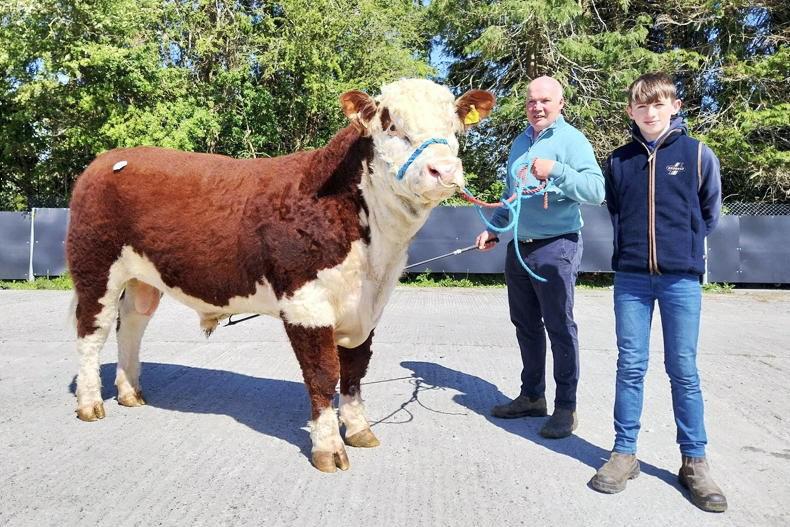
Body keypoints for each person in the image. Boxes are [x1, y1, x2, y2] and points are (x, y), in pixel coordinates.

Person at [590, 72, 727, 513]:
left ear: (675, 107)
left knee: (683, 370)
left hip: (680, 279)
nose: (650, 112)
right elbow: (616, 209)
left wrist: (679, 249)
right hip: (630, 279)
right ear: (631, 111)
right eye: (641, 106)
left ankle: (695, 462)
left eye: (658, 104)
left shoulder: (698, 154)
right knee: (630, 365)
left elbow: (709, 214)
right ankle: (624, 453)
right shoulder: (618, 161)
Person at [476, 76, 604, 438]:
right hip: (519, 246)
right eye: (531, 101)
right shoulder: (519, 142)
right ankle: (532, 396)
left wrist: (558, 170)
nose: (537, 107)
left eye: (545, 100)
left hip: (557, 246)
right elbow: (509, 196)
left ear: (560, 103)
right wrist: (495, 229)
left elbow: (596, 191)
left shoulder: (572, 140)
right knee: (526, 325)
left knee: (560, 327)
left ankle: (566, 407)